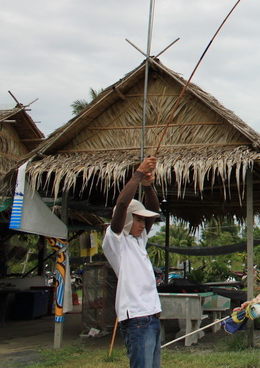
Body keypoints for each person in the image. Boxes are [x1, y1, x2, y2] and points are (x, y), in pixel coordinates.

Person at [103, 157, 162, 368]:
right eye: (138, 219)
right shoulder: (116, 242)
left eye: (143, 221)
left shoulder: (138, 240)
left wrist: (147, 187)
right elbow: (121, 205)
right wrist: (138, 174)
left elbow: (154, 209)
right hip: (136, 320)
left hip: (151, 317)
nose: (143, 224)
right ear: (127, 220)